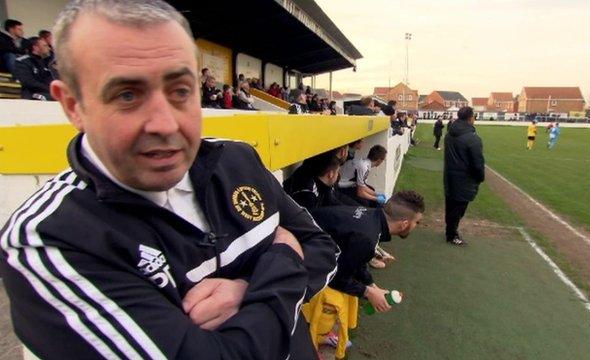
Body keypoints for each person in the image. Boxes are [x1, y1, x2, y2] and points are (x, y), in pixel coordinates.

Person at [0, 1, 338, 359]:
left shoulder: (236, 160)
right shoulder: (46, 240)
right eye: (127, 95)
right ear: (73, 106)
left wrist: (245, 289)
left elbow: (322, 248)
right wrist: (284, 255)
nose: (165, 124)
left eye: (180, 92)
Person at [309, 191, 424, 312]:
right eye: (416, 222)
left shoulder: (372, 217)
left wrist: (371, 285)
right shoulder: (367, 238)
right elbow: (336, 277)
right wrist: (369, 293)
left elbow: (357, 259)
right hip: (294, 253)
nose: (416, 225)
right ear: (404, 224)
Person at [443, 106, 485, 246]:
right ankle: (452, 235)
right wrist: (480, 177)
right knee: (458, 208)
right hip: (464, 179)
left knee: (450, 205)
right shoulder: (473, 139)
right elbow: (478, 163)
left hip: (450, 176)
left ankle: (450, 232)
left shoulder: (449, 134)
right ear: (470, 117)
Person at [13, 36, 54, 100]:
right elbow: (28, 82)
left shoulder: (46, 62)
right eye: (45, 46)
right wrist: (49, 89)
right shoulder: (22, 62)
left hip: (47, 92)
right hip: (31, 94)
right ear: (35, 48)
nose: (49, 48)